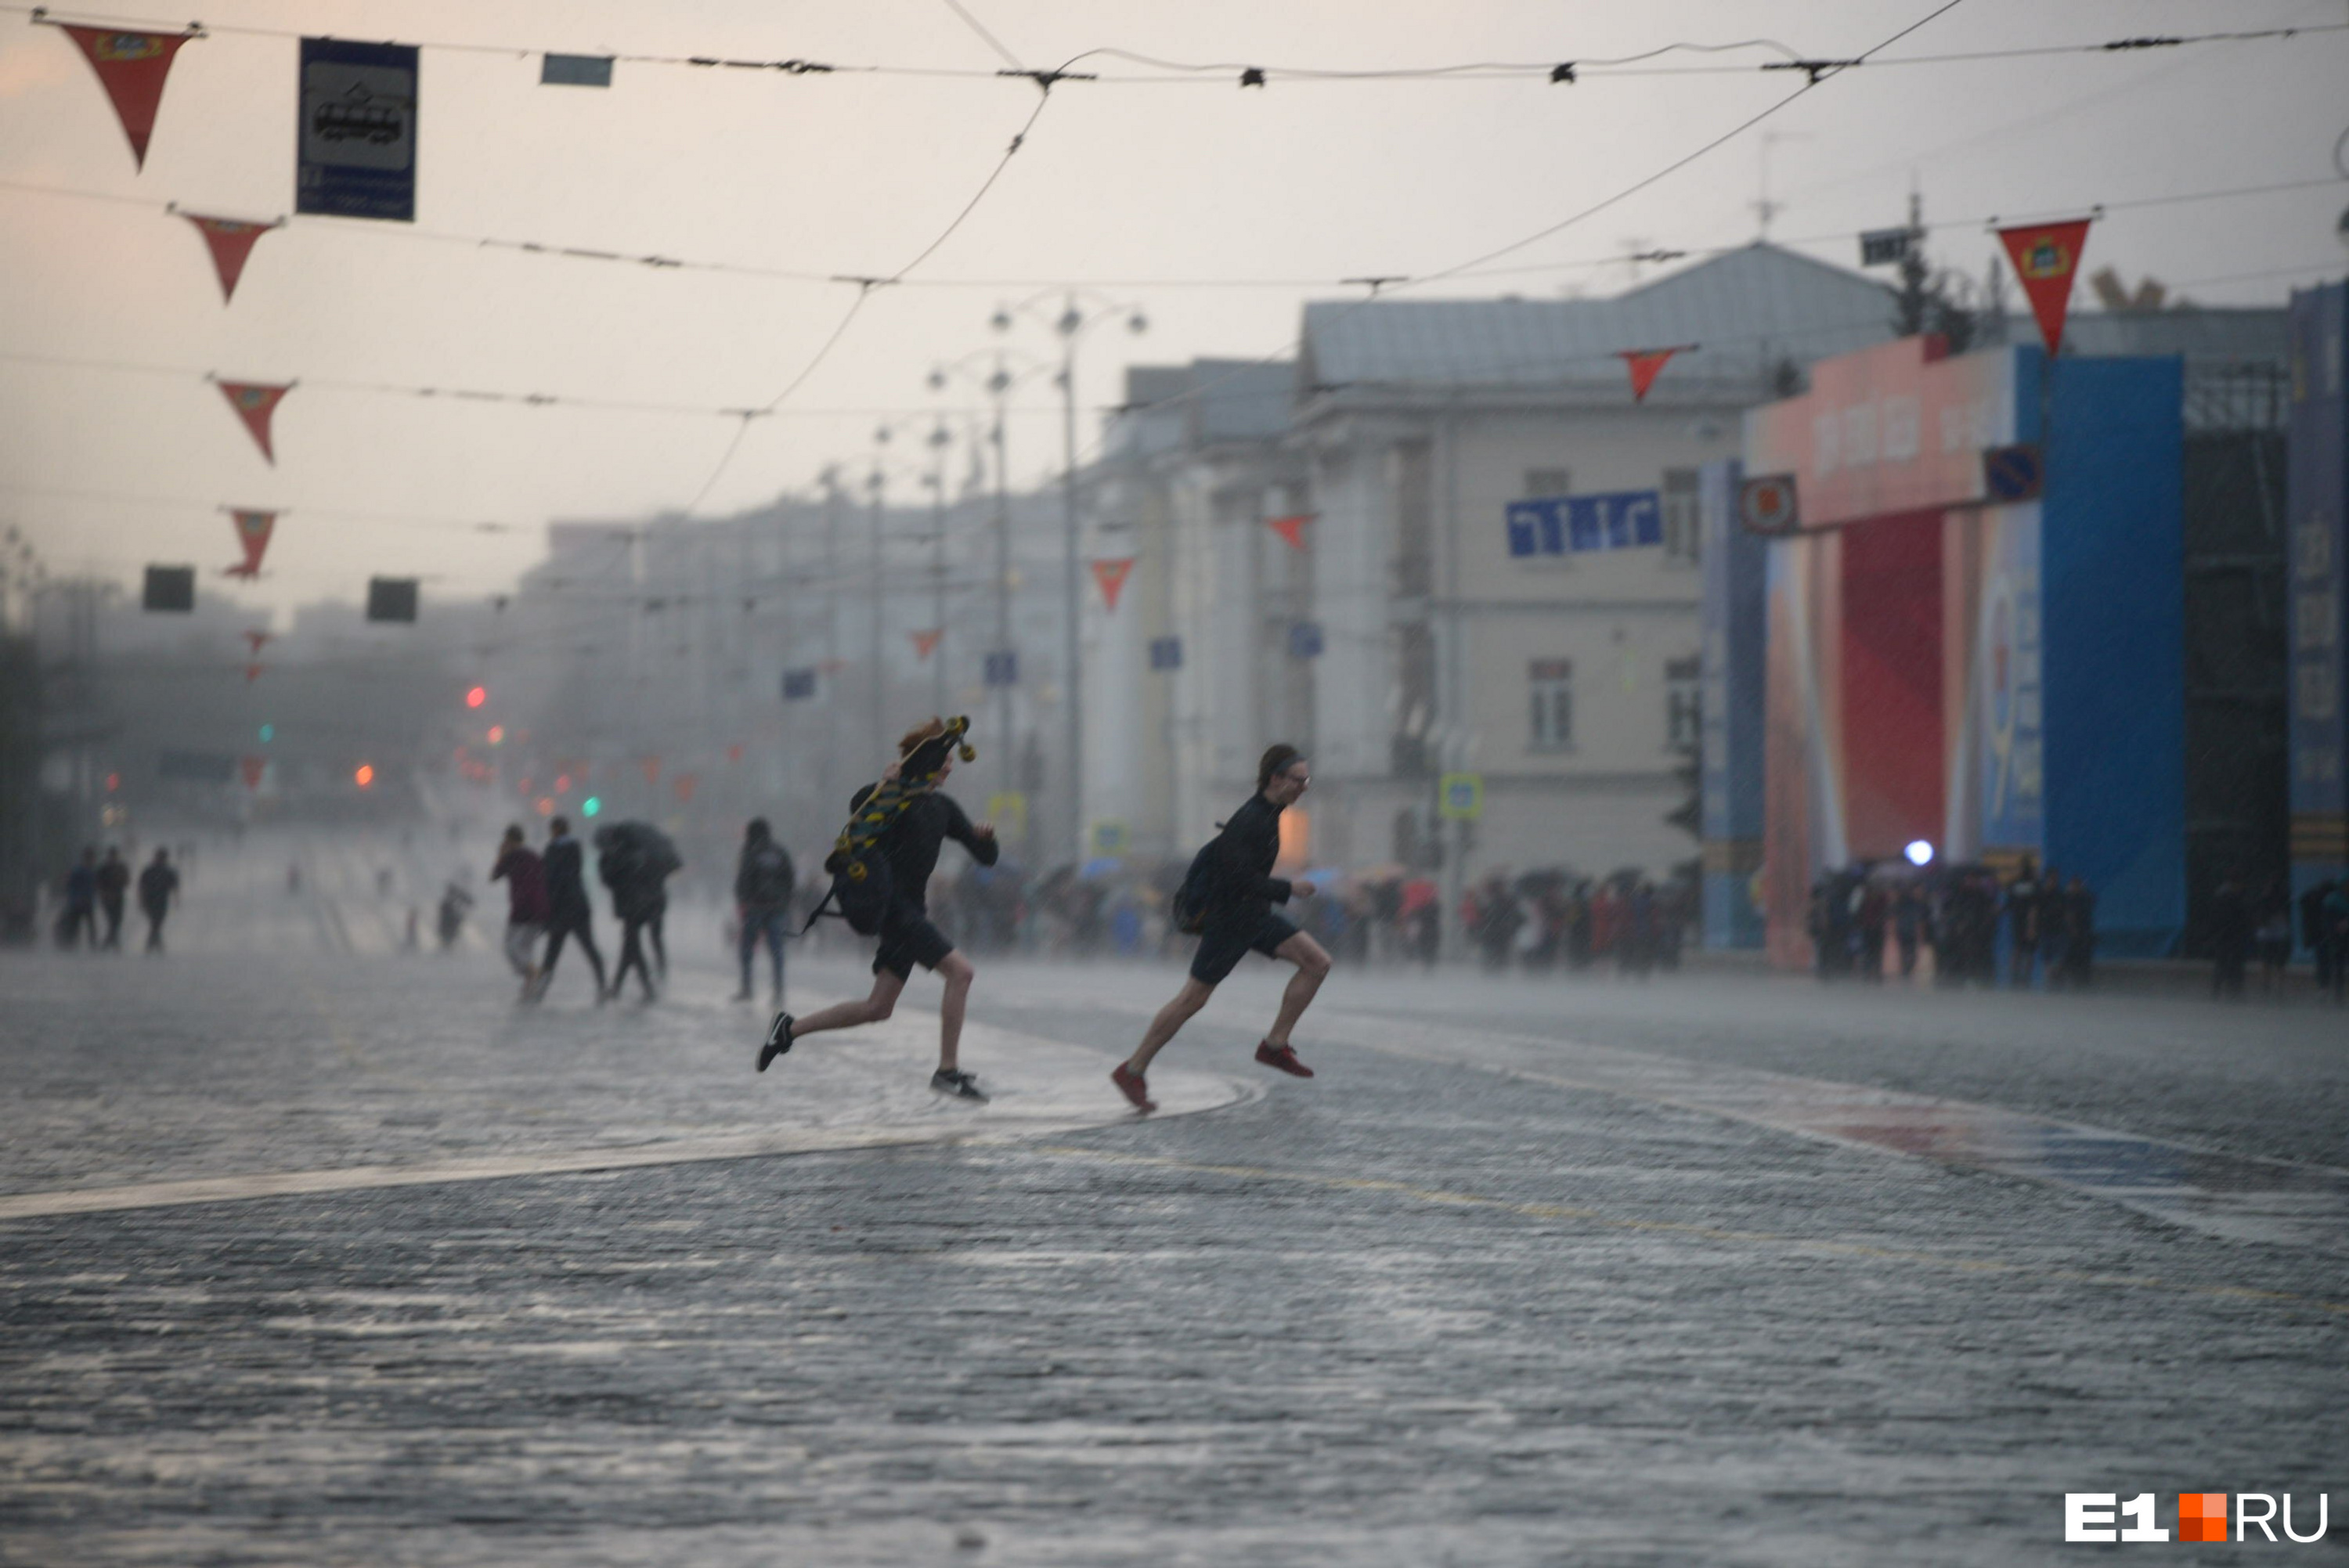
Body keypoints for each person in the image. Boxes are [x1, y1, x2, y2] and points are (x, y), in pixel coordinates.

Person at [760, 719, 998, 1101]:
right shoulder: (890, 798)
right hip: (893, 909)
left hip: (912, 911)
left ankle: (788, 1030)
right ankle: (947, 1071)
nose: (951, 766)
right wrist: (889, 785)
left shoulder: (942, 807)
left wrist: (988, 840)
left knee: (878, 1007)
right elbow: (859, 811)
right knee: (961, 973)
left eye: (952, 759)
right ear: (925, 761)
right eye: (945, 760)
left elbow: (984, 857)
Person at [1111, 744, 1332, 1112]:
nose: (1303, 788)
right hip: (1230, 920)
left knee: (1317, 963)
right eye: (1298, 780)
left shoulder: (1270, 814)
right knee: (1191, 999)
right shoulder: (1251, 819)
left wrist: (1275, 892)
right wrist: (1288, 888)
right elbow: (1235, 878)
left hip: (1254, 916)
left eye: (1307, 781)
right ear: (1275, 779)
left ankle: (1274, 1046)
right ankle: (1132, 1070)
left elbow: (1245, 877)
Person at [597, 823, 677, 1003]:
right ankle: (626, 985)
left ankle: (644, 987)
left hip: (631, 906)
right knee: (633, 946)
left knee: (632, 946)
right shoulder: (647, 855)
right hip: (645, 905)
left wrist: (608, 860)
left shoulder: (621, 856)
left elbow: (609, 879)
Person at [535, 816, 607, 1002]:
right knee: (589, 947)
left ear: (554, 830)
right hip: (578, 906)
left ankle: (539, 993)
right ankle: (602, 985)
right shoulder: (575, 848)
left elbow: (550, 881)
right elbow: (572, 874)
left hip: (560, 909)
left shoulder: (552, 850)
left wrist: (546, 909)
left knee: (552, 954)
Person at [734, 818, 796, 1005]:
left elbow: (743, 880)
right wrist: (784, 901)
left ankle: (747, 988)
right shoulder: (780, 852)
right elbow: (790, 879)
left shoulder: (750, 852)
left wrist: (743, 900)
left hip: (755, 907)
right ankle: (778, 991)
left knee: (747, 949)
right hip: (777, 908)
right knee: (777, 950)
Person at [489, 825, 547, 999]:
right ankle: (530, 987)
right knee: (526, 949)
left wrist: (501, 855)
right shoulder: (533, 856)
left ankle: (536, 974)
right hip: (539, 908)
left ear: (510, 841)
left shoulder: (512, 857)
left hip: (523, 908)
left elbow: (493, 877)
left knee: (511, 947)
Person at [136, 848, 179, 953]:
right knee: (155, 923)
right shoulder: (149, 871)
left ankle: (154, 943)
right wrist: (141, 900)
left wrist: (176, 897)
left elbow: (174, 886)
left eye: (163, 857)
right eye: (160, 857)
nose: (161, 859)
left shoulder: (168, 872)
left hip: (162, 900)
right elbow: (142, 886)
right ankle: (154, 945)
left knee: (157, 923)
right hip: (150, 900)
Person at [95, 847, 130, 950]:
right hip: (107, 898)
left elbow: (126, 881)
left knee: (117, 921)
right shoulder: (104, 869)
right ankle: (111, 944)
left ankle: (110, 943)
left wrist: (121, 880)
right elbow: (98, 883)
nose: (113, 857)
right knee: (112, 921)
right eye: (112, 855)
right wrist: (106, 893)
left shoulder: (121, 868)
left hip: (119, 898)